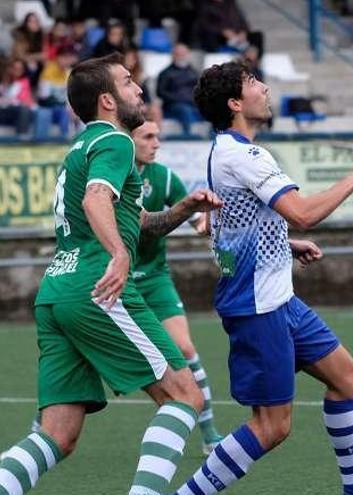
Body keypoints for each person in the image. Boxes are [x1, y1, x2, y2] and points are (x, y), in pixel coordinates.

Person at [0, 52, 223, 495]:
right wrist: (119, 256)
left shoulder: (81, 146)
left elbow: (137, 220)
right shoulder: (117, 141)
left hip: (57, 292)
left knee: (58, 434)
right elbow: (96, 202)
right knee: (185, 395)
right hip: (98, 288)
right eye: (129, 82)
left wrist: (185, 207)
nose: (140, 89)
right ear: (108, 100)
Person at [169, 61, 353, 495]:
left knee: (346, 378)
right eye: (253, 83)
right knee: (271, 426)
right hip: (256, 306)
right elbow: (303, 214)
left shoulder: (223, 152)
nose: (265, 88)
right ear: (235, 103)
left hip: (279, 299)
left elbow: (228, 227)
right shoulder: (244, 155)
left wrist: (284, 245)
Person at [131, 120, 227, 454]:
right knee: (79, 356)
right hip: (112, 279)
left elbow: (193, 218)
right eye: (148, 136)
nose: (156, 143)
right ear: (127, 140)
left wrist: (205, 220)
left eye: (158, 136)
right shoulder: (111, 177)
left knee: (185, 349)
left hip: (154, 278)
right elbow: (147, 223)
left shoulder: (164, 177)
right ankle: (43, 431)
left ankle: (210, 434)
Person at [156, 43, 201, 135]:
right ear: (173, 55)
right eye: (178, 54)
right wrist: (178, 98)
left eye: (183, 54)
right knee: (184, 110)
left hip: (192, 104)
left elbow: (200, 90)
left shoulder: (194, 72)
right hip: (173, 105)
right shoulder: (165, 73)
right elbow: (160, 92)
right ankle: (189, 136)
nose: (181, 56)